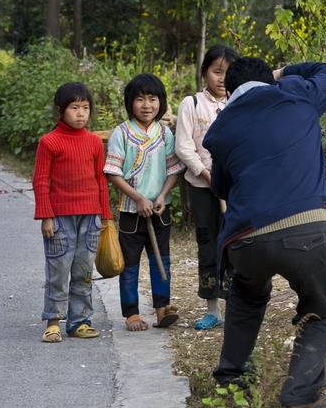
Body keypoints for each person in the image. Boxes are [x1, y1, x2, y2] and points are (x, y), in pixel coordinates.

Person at [202, 58, 326, 408]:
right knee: (320, 309)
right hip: (307, 230)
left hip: (247, 240)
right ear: (271, 80)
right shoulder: (296, 95)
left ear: (229, 93)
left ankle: (231, 383)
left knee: (246, 298)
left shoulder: (221, 129)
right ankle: (299, 398)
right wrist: (284, 73)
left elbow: (220, 186)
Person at [103, 73, 185, 331]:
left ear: (161, 103)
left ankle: (162, 309)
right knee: (130, 265)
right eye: (140, 99)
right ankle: (131, 314)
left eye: (153, 99)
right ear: (130, 103)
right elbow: (113, 173)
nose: (147, 105)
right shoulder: (122, 133)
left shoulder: (164, 134)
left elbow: (174, 170)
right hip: (130, 211)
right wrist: (138, 198)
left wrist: (161, 196)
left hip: (161, 209)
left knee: (162, 260)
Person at [32, 82, 112, 343]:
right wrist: (46, 215)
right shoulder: (49, 142)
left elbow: (101, 181)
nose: (81, 114)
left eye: (85, 108)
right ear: (60, 110)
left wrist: (106, 217)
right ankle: (53, 321)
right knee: (58, 269)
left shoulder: (94, 143)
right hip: (59, 219)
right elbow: (41, 180)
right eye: (74, 108)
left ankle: (80, 320)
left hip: (90, 217)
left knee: (83, 270)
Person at [175, 44, 239, 330]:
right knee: (208, 244)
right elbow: (184, 147)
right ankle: (212, 308)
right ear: (204, 72)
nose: (222, 78)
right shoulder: (192, 104)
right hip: (203, 188)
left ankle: (236, 305)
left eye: (227, 73)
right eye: (216, 71)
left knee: (237, 243)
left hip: (235, 189)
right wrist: (207, 175)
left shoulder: (237, 104)